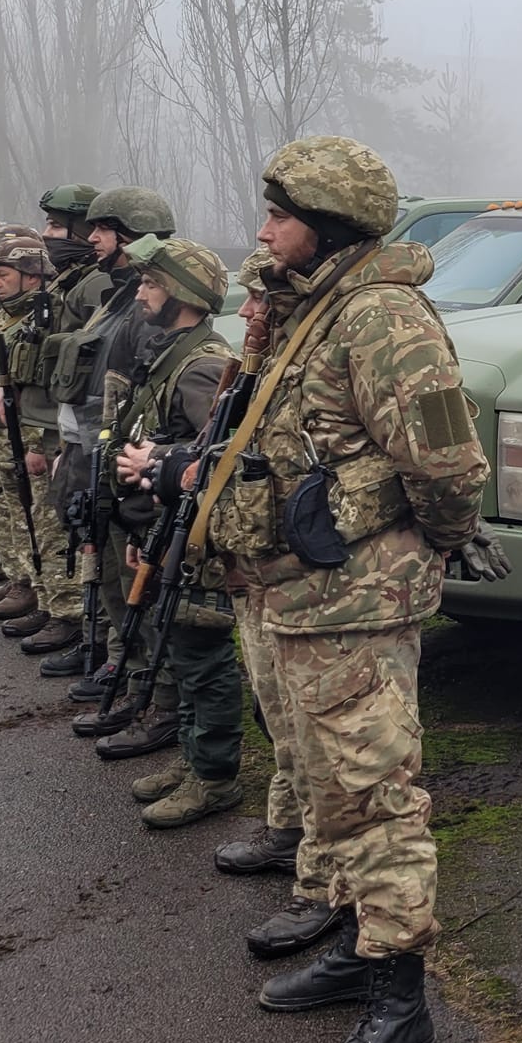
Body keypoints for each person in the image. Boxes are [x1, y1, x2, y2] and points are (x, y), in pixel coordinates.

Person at [195, 135, 499, 1043]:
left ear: (322, 225)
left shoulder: (382, 318)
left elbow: (448, 467)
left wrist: (439, 546)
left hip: (357, 599)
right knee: (324, 784)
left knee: (374, 798)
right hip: (297, 591)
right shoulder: (310, 304)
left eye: (278, 213)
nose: (261, 228)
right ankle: (348, 938)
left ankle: (399, 1005)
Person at [211, 252, 343, 962]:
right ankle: (286, 824)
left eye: (259, 303)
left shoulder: (309, 368)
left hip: (301, 573)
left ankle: (321, 881)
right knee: (272, 708)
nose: (247, 314)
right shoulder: (254, 373)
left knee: (306, 725)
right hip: (254, 567)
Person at [109, 234, 241, 826]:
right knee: (180, 652)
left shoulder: (199, 364)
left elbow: (219, 454)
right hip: (166, 528)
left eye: (152, 283)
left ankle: (214, 777)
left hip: (193, 537)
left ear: (182, 294)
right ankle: (193, 761)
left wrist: (157, 458)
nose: (141, 292)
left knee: (201, 655)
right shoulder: (170, 355)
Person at [64, 186, 180, 723]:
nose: (91, 239)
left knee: (137, 587)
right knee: (110, 577)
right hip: (101, 457)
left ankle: (152, 693)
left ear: (133, 236)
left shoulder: (148, 305)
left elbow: (145, 399)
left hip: (130, 469)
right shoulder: (120, 295)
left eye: (103, 231)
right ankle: (130, 672)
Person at [13, 184, 114, 662]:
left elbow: (90, 374)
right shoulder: (68, 280)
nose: (47, 235)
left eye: (56, 226)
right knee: (56, 524)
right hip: (52, 421)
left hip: (71, 429)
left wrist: (55, 440)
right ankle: (64, 611)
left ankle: (74, 619)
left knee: (70, 533)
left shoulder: (94, 285)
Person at [0, 230, 70, 646]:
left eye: (4, 272)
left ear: (31, 275)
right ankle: (33, 590)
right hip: (0, 435)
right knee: (14, 519)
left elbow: (39, 388)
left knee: (42, 527)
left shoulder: (46, 317)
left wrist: (33, 445)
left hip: (30, 440)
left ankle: (59, 608)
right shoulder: (5, 314)